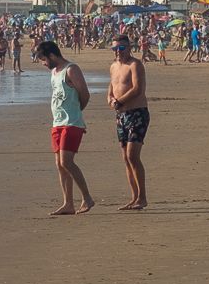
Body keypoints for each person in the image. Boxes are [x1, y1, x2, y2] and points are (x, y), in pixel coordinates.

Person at [36, 41, 94, 216]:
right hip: (58, 122)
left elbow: (84, 94)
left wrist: (76, 111)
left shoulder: (71, 69)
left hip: (72, 122)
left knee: (66, 161)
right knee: (60, 165)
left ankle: (87, 198)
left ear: (52, 56)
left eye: (44, 59)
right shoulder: (54, 72)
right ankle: (68, 203)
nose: (43, 63)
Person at [107, 35, 148, 211]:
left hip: (137, 113)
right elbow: (111, 87)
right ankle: (134, 197)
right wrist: (110, 99)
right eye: (115, 48)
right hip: (121, 115)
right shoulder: (113, 66)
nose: (118, 51)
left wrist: (120, 101)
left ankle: (142, 197)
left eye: (121, 48)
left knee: (132, 155)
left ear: (129, 48)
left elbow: (138, 89)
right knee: (125, 158)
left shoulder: (135, 65)